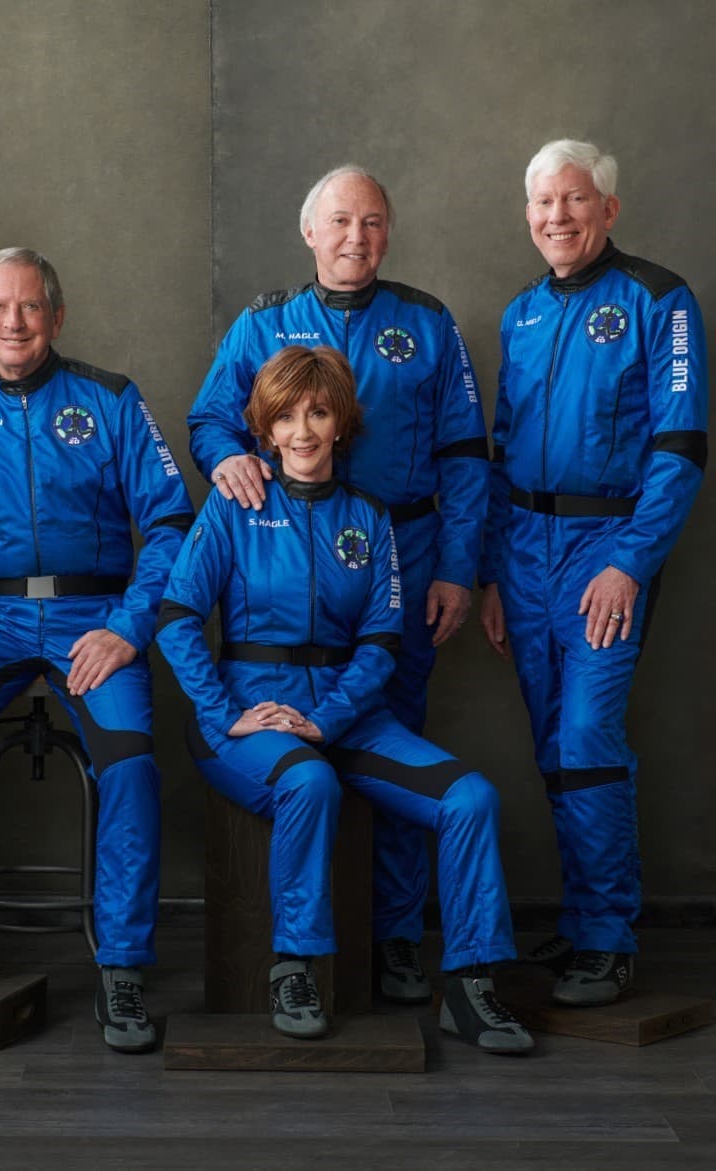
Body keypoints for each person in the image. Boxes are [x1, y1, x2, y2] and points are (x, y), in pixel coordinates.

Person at [160, 345, 531, 1052]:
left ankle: (472, 983)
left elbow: (382, 642)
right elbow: (177, 618)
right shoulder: (234, 508)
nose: (303, 431)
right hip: (246, 716)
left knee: (471, 797)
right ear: (264, 430)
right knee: (308, 780)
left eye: (319, 413)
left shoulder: (369, 518)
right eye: (287, 417)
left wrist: (327, 717)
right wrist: (222, 711)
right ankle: (295, 965)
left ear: (341, 425)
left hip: (346, 713)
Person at [186, 166, 490, 1005]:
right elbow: (211, 418)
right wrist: (230, 465)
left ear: (389, 233)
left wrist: (459, 567)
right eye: (340, 221)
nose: (356, 236)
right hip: (275, 549)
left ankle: (394, 937)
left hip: (402, 554)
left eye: (373, 222)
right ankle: (306, 954)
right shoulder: (264, 323)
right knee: (316, 773)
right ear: (309, 232)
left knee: (392, 734)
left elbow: (466, 452)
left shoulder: (428, 324)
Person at [0, 248, 193, 1053]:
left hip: (98, 612)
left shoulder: (112, 399)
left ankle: (121, 962)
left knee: (129, 761)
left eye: (31, 308)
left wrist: (129, 627)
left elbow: (169, 522)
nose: (14, 322)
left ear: (57, 316)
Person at [479, 139, 709, 1006]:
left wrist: (630, 562)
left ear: (607, 210)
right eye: (542, 203)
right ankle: (580, 924)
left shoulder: (659, 299)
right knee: (553, 748)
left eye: (573, 201)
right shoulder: (520, 314)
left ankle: (610, 938)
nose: (557, 217)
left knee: (587, 740)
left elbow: (680, 447)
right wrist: (495, 573)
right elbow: (500, 456)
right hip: (526, 554)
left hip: (604, 551)